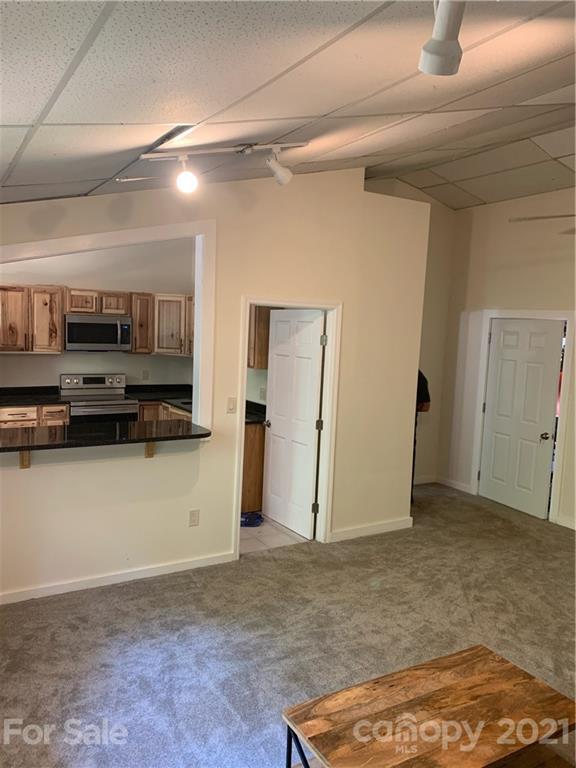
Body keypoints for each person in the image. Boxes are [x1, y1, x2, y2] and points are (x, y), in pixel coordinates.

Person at [412, 370, 431, 503]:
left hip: (408, 428)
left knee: (407, 459)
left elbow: (426, 406)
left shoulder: (419, 377)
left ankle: (406, 496)